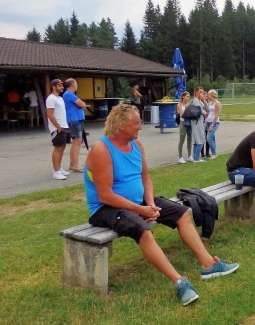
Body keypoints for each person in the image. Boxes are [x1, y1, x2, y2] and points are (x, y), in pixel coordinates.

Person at [84, 103, 238, 306]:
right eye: (137, 123)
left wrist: (149, 204)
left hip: (138, 202)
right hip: (106, 209)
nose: (140, 127)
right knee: (142, 228)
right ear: (121, 126)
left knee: (182, 212)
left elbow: (145, 179)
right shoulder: (101, 149)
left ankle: (208, 264)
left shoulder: (137, 146)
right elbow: (105, 195)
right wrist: (140, 210)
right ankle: (180, 282)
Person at [46, 79, 71, 180]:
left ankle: (59, 168)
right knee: (58, 148)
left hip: (64, 126)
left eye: (62, 85)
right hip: (57, 127)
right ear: (53, 87)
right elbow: (50, 114)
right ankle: (56, 171)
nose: (62, 87)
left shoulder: (60, 98)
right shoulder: (51, 99)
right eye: (60, 85)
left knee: (63, 147)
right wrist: (58, 127)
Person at [62, 78, 87, 172]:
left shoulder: (70, 94)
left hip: (76, 119)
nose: (77, 85)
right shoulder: (69, 94)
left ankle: (72, 164)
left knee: (76, 142)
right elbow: (81, 104)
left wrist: (82, 104)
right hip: (74, 120)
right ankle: (75, 165)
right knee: (77, 142)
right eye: (76, 84)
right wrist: (83, 104)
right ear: (72, 85)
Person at [190, 87, 207, 162]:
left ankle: (195, 157)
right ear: (196, 92)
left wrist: (204, 100)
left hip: (199, 122)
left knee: (198, 141)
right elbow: (201, 110)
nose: (202, 94)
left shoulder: (199, 101)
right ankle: (197, 158)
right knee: (200, 140)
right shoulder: (195, 100)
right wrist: (205, 113)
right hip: (197, 122)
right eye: (200, 92)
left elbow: (208, 108)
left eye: (203, 92)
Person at [176, 91, 193, 163]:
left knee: (190, 140)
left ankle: (189, 155)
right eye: (187, 96)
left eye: (189, 96)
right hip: (183, 123)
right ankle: (180, 157)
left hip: (189, 122)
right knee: (182, 140)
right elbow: (182, 114)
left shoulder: (189, 105)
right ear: (183, 96)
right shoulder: (179, 105)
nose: (188, 98)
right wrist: (190, 114)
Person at [205, 89, 221, 159]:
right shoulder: (210, 103)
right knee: (212, 138)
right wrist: (206, 122)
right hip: (208, 121)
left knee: (209, 137)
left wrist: (212, 125)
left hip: (214, 122)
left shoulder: (217, 103)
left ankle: (214, 153)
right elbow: (208, 113)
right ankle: (214, 152)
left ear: (212, 95)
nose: (207, 96)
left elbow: (216, 114)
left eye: (208, 94)